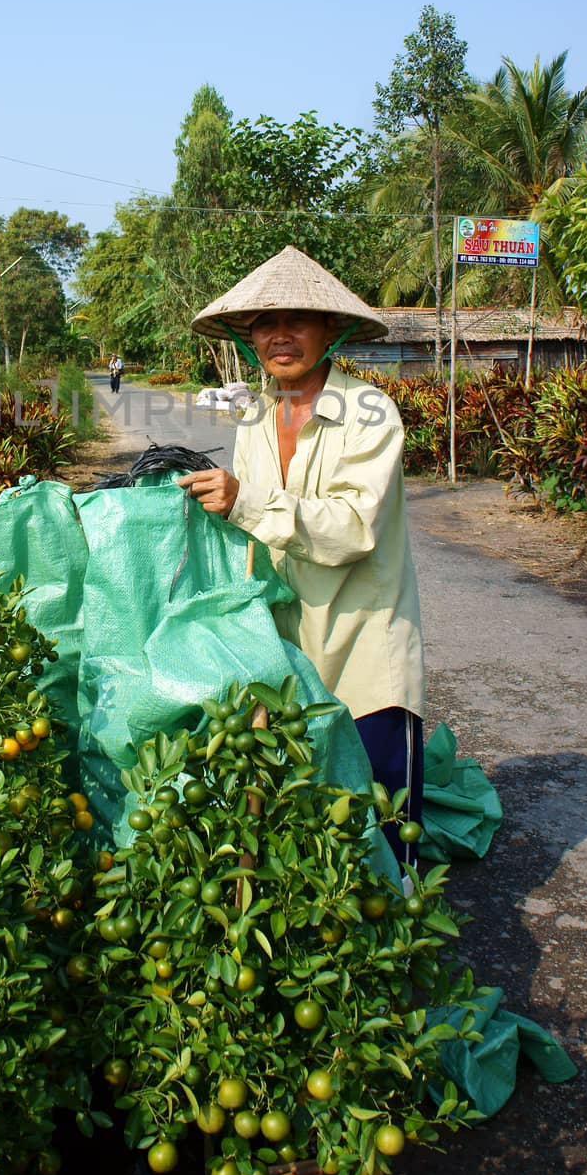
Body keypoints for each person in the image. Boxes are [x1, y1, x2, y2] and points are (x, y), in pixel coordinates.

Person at [178, 245, 424, 861]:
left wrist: (244, 503)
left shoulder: (369, 414)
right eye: (265, 323)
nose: (279, 336)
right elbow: (251, 537)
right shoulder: (256, 417)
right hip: (286, 650)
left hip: (362, 647)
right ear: (249, 337)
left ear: (331, 330)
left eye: (297, 321)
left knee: (384, 830)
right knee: (310, 826)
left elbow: (352, 529)